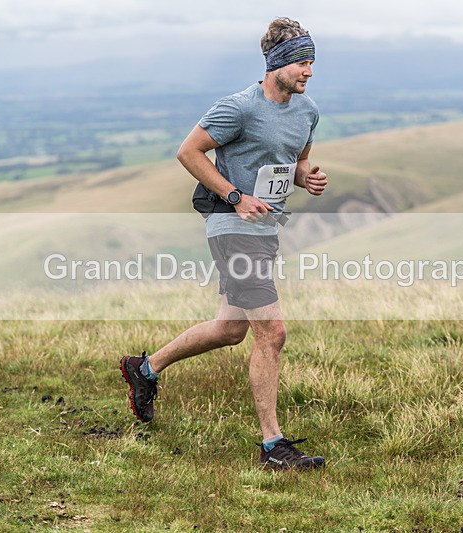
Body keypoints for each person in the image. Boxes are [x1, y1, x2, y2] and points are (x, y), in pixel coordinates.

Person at [120, 17, 328, 470]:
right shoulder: (239, 108)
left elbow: (295, 162)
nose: (309, 71)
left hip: (265, 229)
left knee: (230, 329)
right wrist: (235, 196)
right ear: (277, 63)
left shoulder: (307, 111)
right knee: (272, 332)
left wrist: (306, 178)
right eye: (301, 62)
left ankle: (144, 368)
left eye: (312, 62)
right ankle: (273, 446)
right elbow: (188, 151)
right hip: (231, 226)